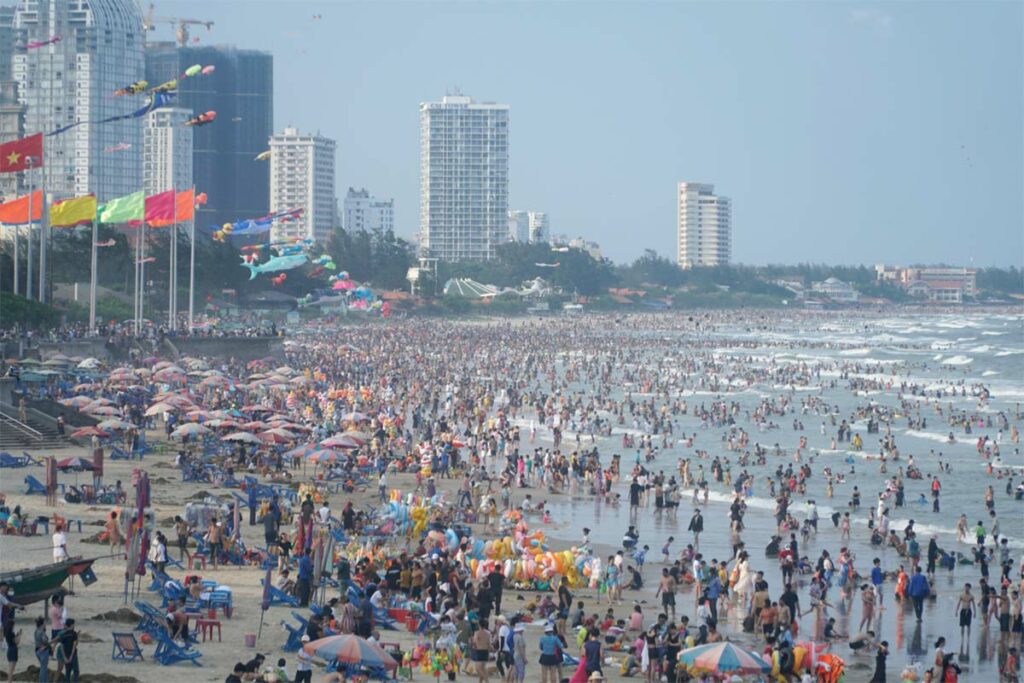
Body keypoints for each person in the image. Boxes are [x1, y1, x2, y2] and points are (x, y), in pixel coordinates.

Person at [471, 618, 492, 683]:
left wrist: (474, 646)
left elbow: (474, 642)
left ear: (479, 625)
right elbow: (489, 644)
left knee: (478, 668)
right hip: (485, 651)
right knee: (483, 668)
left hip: (479, 651)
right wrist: (489, 653)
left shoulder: (477, 633)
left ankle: (487, 681)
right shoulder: (488, 634)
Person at [34, 616, 50, 683]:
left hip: (37, 650)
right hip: (43, 651)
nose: (45, 624)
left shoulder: (36, 631)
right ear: (42, 624)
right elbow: (45, 641)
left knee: (43, 668)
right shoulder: (41, 632)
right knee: (43, 669)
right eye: (44, 622)